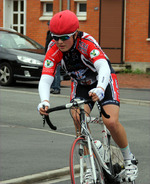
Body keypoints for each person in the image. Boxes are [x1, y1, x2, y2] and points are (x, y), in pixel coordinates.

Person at [38, 10, 138, 183]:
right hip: (81, 84)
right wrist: (44, 101)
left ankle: (129, 159)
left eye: (65, 37)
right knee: (78, 117)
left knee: (110, 122)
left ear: (75, 33)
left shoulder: (86, 42)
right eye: (56, 37)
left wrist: (100, 88)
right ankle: (89, 166)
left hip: (103, 80)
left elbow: (103, 67)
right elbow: (46, 79)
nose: (60, 42)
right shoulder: (53, 48)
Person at [45, 21, 61, 94]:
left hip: (56, 56)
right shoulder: (49, 33)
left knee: (57, 72)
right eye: (48, 25)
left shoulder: (56, 34)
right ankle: (52, 87)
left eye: (49, 25)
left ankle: (57, 88)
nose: (48, 27)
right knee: (51, 72)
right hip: (49, 55)